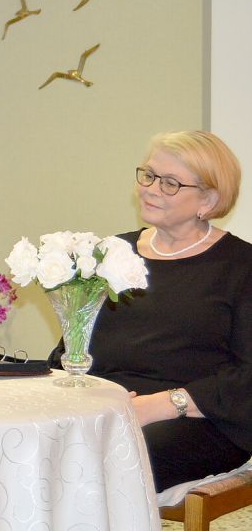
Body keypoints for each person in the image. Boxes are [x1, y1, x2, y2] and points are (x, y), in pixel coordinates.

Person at [54, 130, 252, 492]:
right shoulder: (112, 253)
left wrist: (159, 406)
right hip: (106, 405)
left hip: (196, 419)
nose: (150, 188)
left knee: (98, 461)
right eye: (148, 175)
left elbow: (247, 378)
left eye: (170, 183)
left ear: (208, 200)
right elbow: (72, 346)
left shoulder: (242, 267)